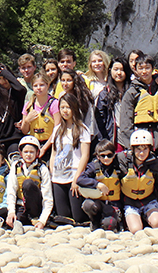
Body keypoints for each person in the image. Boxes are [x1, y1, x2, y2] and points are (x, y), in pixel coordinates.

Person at [118, 55, 158, 177]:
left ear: (153, 69)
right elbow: (125, 123)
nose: (144, 71)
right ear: (135, 70)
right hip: (141, 143)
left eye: (147, 68)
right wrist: (131, 147)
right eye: (141, 68)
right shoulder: (132, 92)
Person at [48, 93, 92, 225]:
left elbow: (85, 155)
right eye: (62, 107)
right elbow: (53, 154)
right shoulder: (57, 130)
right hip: (58, 176)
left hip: (74, 175)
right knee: (63, 217)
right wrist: (52, 173)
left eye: (68, 107)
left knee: (77, 216)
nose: (65, 111)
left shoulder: (82, 129)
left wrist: (77, 178)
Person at [119, 130, 158, 233]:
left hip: (149, 201)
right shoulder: (123, 160)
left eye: (145, 149)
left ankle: (148, 219)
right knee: (136, 230)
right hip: (130, 202)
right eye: (138, 149)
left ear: (150, 149)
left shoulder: (154, 162)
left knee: (157, 224)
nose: (142, 153)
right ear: (133, 149)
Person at [4, 136, 53, 229]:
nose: (28, 155)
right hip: (21, 205)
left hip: (36, 206)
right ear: (21, 153)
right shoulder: (15, 166)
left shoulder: (42, 168)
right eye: (26, 152)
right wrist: (11, 212)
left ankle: (35, 218)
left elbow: (48, 197)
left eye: (32, 152)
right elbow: (11, 191)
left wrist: (43, 220)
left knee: (28, 184)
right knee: (14, 223)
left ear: (37, 153)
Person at [77, 139, 125, 231]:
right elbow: (80, 180)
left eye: (109, 155)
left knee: (109, 226)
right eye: (102, 156)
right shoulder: (93, 166)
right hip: (99, 202)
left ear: (114, 155)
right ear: (98, 157)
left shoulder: (119, 166)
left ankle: (109, 222)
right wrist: (97, 184)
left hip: (113, 205)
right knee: (88, 205)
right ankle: (95, 221)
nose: (106, 158)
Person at [0, 63, 27, 156]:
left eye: (5, 77)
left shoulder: (16, 93)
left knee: (14, 159)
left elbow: (21, 89)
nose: (4, 81)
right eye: (0, 78)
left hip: (14, 138)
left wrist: (4, 72)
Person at [94, 58, 130, 150]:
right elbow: (100, 119)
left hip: (132, 133)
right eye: (116, 69)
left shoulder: (133, 91)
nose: (119, 73)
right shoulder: (105, 93)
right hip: (115, 136)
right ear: (110, 71)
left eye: (122, 70)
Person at [20, 72, 58, 157]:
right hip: (34, 144)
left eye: (42, 85)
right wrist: (26, 121)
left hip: (50, 144)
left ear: (48, 85)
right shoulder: (29, 105)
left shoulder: (54, 104)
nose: (38, 88)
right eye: (35, 86)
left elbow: (57, 128)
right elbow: (24, 131)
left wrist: (44, 148)